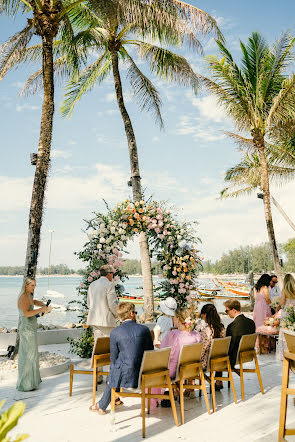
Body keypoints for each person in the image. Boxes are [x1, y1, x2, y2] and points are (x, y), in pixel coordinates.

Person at [90, 302, 154, 414]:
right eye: (135, 312)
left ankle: (103, 404)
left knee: (115, 366)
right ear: (131, 314)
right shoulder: (144, 330)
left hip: (125, 377)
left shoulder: (115, 332)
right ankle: (113, 400)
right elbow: (150, 352)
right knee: (118, 365)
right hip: (143, 373)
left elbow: (114, 358)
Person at [16, 277, 52, 391]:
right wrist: (41, 310)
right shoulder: (23, 298)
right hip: (27, 329)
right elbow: (26, 313)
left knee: (32, 355)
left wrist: (43, 305)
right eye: (32, 285)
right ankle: (25, 384)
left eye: (35, 285)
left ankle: (32, 382)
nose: (34, 287)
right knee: (28, 356)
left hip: (31, 328)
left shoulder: (29, 296)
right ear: (26, 286)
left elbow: (34, 302)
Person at [86, 264, 118, 383]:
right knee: (110, 349)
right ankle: (109, 375)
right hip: (107, 321)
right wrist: (117, 315)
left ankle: (98, 375)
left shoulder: (92, 285)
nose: (113, 276)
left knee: (97, 348)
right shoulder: (109, 285)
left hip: (95, 320)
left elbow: (89, 304)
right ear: (109, 274)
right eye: (112, 274)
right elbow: (112, 304)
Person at [199, 304, 226, 389]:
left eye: (202, 315)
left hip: (208, 363)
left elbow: (203, 348)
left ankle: (189, 388)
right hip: (220, 361)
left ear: (205, 315)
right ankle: (218, 381)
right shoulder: (221, 328)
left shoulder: (206, 330)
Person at [225, 299, 255, 368]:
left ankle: (218, 378)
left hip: (235, 358)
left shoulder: (231, 326)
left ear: (234, 310)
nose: (227, 313)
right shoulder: (251, 323)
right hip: (248, 354)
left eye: (227, 311)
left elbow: (230, 345)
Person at [277, 274, 295, 361]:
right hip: (294, 312)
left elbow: (282, 303)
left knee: (284, 332)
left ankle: (284, 353)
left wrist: (278, 306)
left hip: (286, 313)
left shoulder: (284, 290)